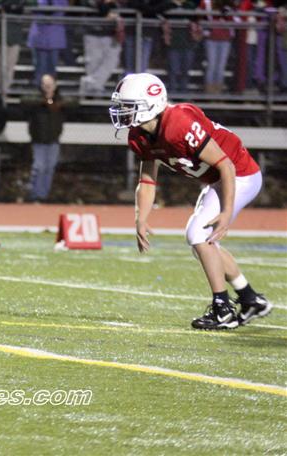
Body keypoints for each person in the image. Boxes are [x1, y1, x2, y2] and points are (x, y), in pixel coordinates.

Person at [109, 72, 273, 330]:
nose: (123, 112)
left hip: (240, 174)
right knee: (202, 245)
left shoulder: (179, 123)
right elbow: (148, 180)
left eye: (129, 106)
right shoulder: (139, 136)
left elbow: (226, 165)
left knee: (197, 234)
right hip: (217, 179)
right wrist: (141, 218)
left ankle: (222, 309)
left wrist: (227, 212)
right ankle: (250, 299)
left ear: (151, 104)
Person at [22, 74, 76, 201]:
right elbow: (24, 101)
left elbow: (74, 103)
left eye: (50, 84)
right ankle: (34, 194)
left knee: (50, 168)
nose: (47, 87)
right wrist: (45, 101)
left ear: (55, 85)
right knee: (39, 167)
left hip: (53, 140)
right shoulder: (36, 98)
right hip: (38, 140)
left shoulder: (59, 99)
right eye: (45, 84)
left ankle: (43, 194)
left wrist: (56, 103)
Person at [79, 0, 123, 95]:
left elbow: (120, 6)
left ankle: (90, 84)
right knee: (93, 63)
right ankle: (94, 90)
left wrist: (110, 5)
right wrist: (106, 9)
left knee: (112, 60)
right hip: (92, 32)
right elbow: (91, 4)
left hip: (110, 34)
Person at [27, 0, 68, 85]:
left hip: (54, 36)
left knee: (52, 67)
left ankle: (50, 90)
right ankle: (39, 87)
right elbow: (35, 10)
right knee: (40, 66)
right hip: (39, 35)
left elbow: (59, 12)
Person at [200, 0, 236, 94]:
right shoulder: (206, 3)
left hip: (225, 39)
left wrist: (227, 13)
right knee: (211, 65)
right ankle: (209, 92)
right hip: (211, 39)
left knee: (221, 66)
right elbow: (201, 18)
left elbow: (235, 19)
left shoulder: (229, 3)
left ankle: (218, 92)